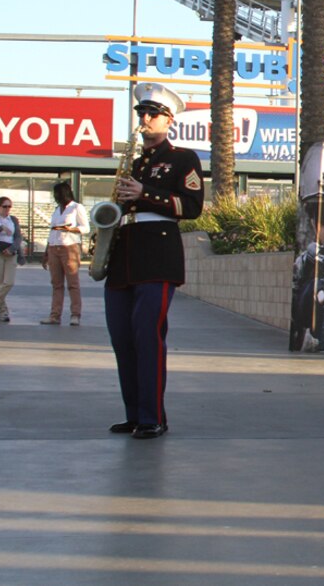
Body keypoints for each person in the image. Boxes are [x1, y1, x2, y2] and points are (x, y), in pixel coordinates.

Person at [105, 82, 204, 440]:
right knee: (122, 337)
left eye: (152, 114)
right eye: (141, 113)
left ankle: (152, 417)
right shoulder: (134, 162)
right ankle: (133, 414)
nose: (144, 119)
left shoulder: (183, 158)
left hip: (157, 254)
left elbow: (192, 207)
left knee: (147, 336)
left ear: (169, 120)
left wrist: (145, 192)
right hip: (124, 254)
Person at [40, 181, 90, 326]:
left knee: (72, 283)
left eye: (57, 193)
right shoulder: (57, 210)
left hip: (69, 247)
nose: (55, 196)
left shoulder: (76, 207)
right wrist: (46, 253)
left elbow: (85, 228)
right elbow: (52, 230)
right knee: (56, 283)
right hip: (54, 247)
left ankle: (75, 314)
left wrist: (70, 229)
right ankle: (55, 315)